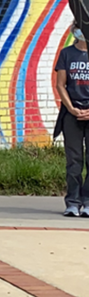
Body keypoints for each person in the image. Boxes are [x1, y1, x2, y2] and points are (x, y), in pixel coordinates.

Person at [53, 22, 89, 217]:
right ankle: (73, 202)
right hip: (71, 115)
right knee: (74, 160)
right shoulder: (67, 54)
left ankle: (88, 201)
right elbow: (61, 85)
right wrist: (71, 108)